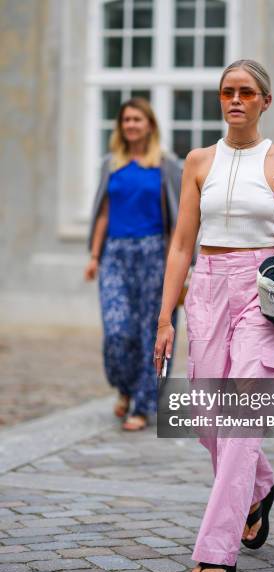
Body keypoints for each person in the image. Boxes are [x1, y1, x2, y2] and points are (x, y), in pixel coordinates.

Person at [154, 59, 274, 572]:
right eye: (226, 92)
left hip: (263, 288)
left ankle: (216, 551)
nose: (235, 100)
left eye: (245, 92)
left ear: (265, 101)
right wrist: (164, 317)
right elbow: (180, 245)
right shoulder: (198, 161)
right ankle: (259, 487)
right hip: (208, 286)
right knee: (205, 416)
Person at [85, 97, 181, 431]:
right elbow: (103, 213)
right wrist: (95, 256)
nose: (131, 125)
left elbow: (177, 222)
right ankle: (124, 386)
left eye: (137, 119)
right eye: (126, 120)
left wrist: (180, 267)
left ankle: (141, 403)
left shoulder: (167, 165)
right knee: (117, 332)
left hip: (154, 254)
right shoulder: (110, 163)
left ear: (150, 124)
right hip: (115, 254)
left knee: (149, 333)